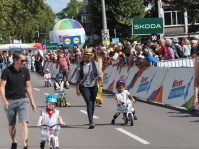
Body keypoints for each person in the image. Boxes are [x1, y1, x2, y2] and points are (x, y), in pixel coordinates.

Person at [0, 51, 36, 149]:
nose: (24, 62)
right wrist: (4, 100)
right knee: (12, 125)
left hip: (23, 100)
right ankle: (14, 141)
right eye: (22, 60)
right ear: (15, 60)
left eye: (24, 60)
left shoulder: (25, 71)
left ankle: (25, 146)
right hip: (10, 101)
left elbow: (28, 86)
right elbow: (2, 86)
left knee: (24, 122)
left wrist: (32, 101)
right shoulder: (6, 71)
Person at [75, 48, 103, 129]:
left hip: (94, 86)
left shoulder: (94, 64)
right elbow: (77, 78)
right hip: (84, 86)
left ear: (92, 56)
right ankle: (91, 121)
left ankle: (91, 118)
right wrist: (77, 89)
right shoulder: (80, 65)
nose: (87, 58)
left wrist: (101, 81)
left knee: (92, 103)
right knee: (89, 102)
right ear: (84, 57)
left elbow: (99, 73)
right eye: (86, 56)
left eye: (89, 56)